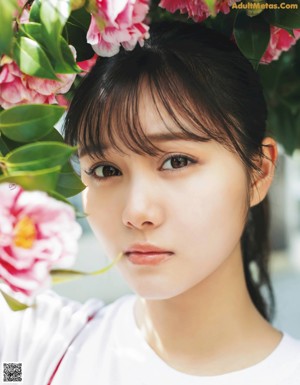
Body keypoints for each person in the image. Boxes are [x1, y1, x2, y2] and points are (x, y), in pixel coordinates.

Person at [1, 20, 300, 385]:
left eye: (177, 161)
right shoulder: (34, 352)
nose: (137, 212)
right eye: (106, 169)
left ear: (259, 172)